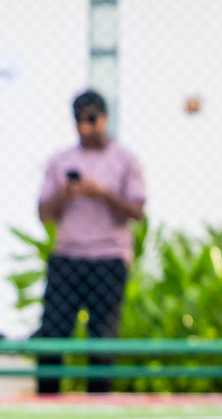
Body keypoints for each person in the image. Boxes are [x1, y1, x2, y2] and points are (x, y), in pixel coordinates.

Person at [34, 91, 145, 395]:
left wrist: (102, 193)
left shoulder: (126, 160)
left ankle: (99, 403)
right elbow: (44, 213)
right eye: (79, 120)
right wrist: (65, 195)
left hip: (109, 257)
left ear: (105, 118)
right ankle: (47, 401)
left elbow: (136, 213)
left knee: (102, 339)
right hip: (67, 256)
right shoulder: (60, 161)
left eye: (91, 120)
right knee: (52, 334)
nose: (85, 127)